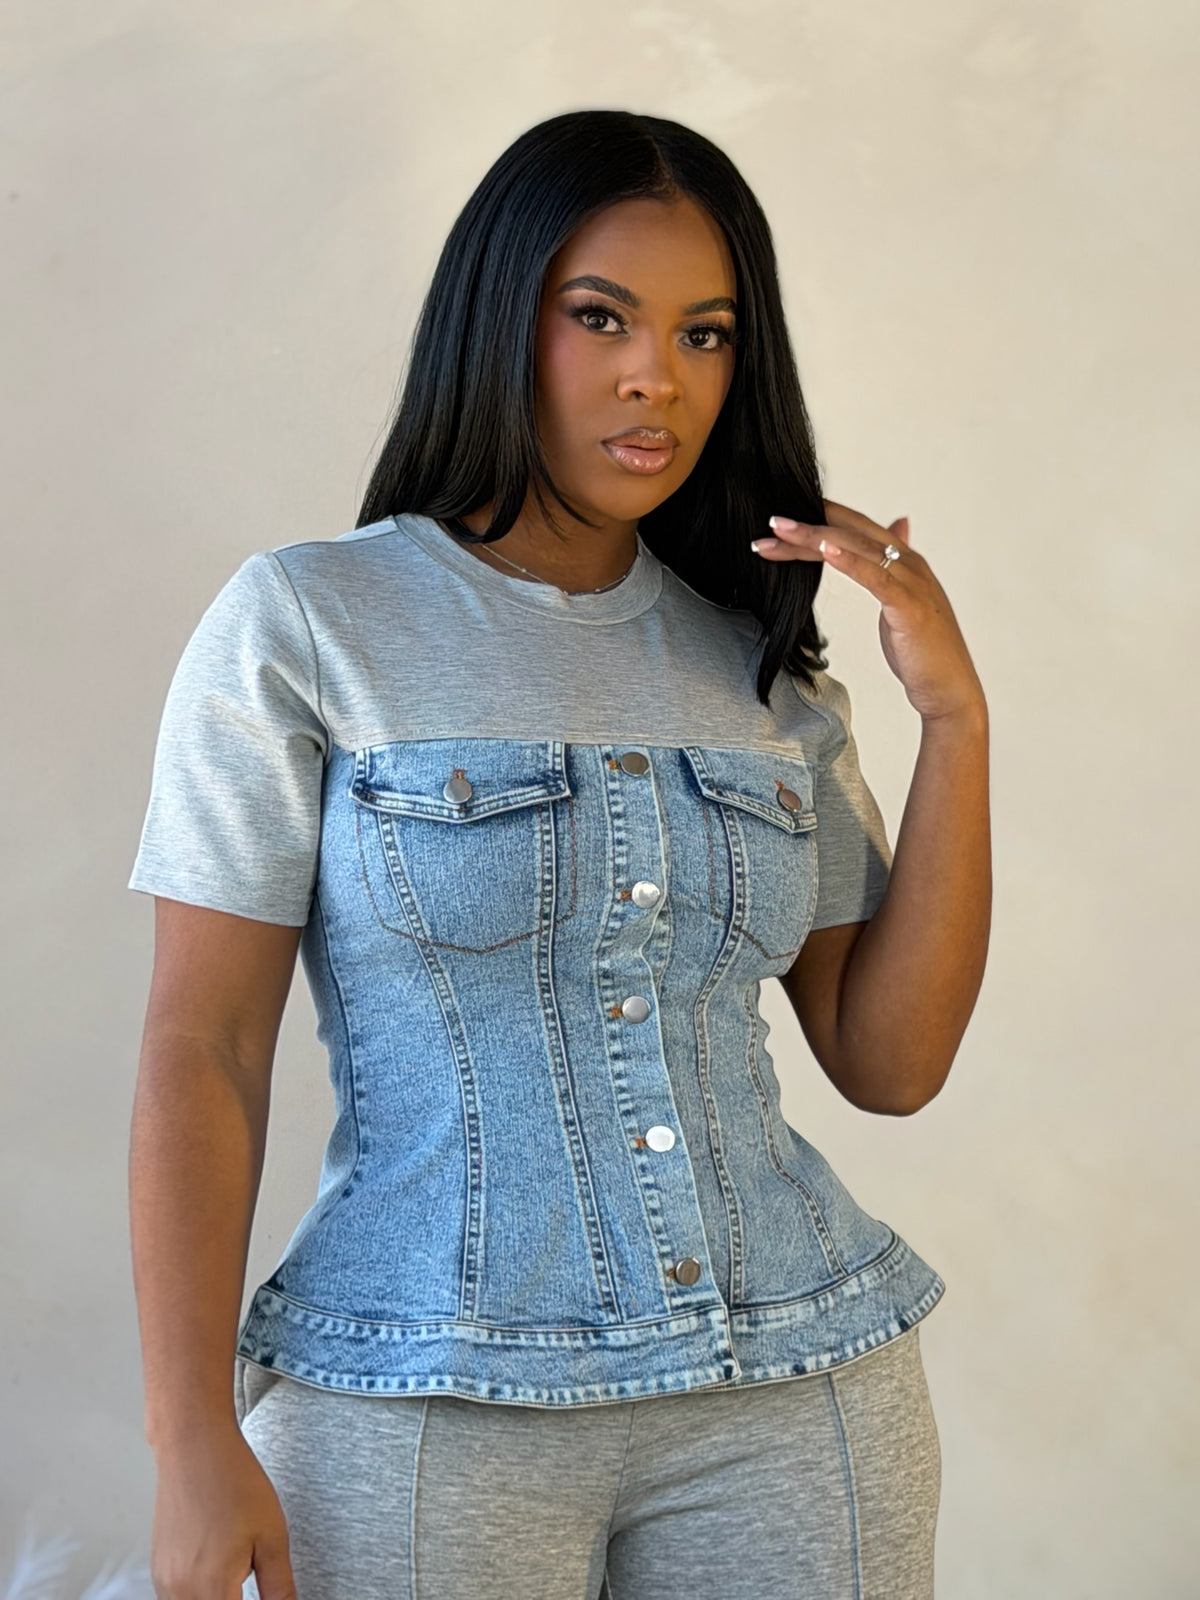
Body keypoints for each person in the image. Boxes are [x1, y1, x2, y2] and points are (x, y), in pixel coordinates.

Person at [127, 108, 990, 1600]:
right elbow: (203, 1048)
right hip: (422, 1403)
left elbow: (891, 1061)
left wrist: (956, 719)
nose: (658, 375)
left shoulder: (757, 669)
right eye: (601, 318)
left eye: (705, 334)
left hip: (795, 1401)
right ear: (500, 320)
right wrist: (189, 1434)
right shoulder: (310, 623)